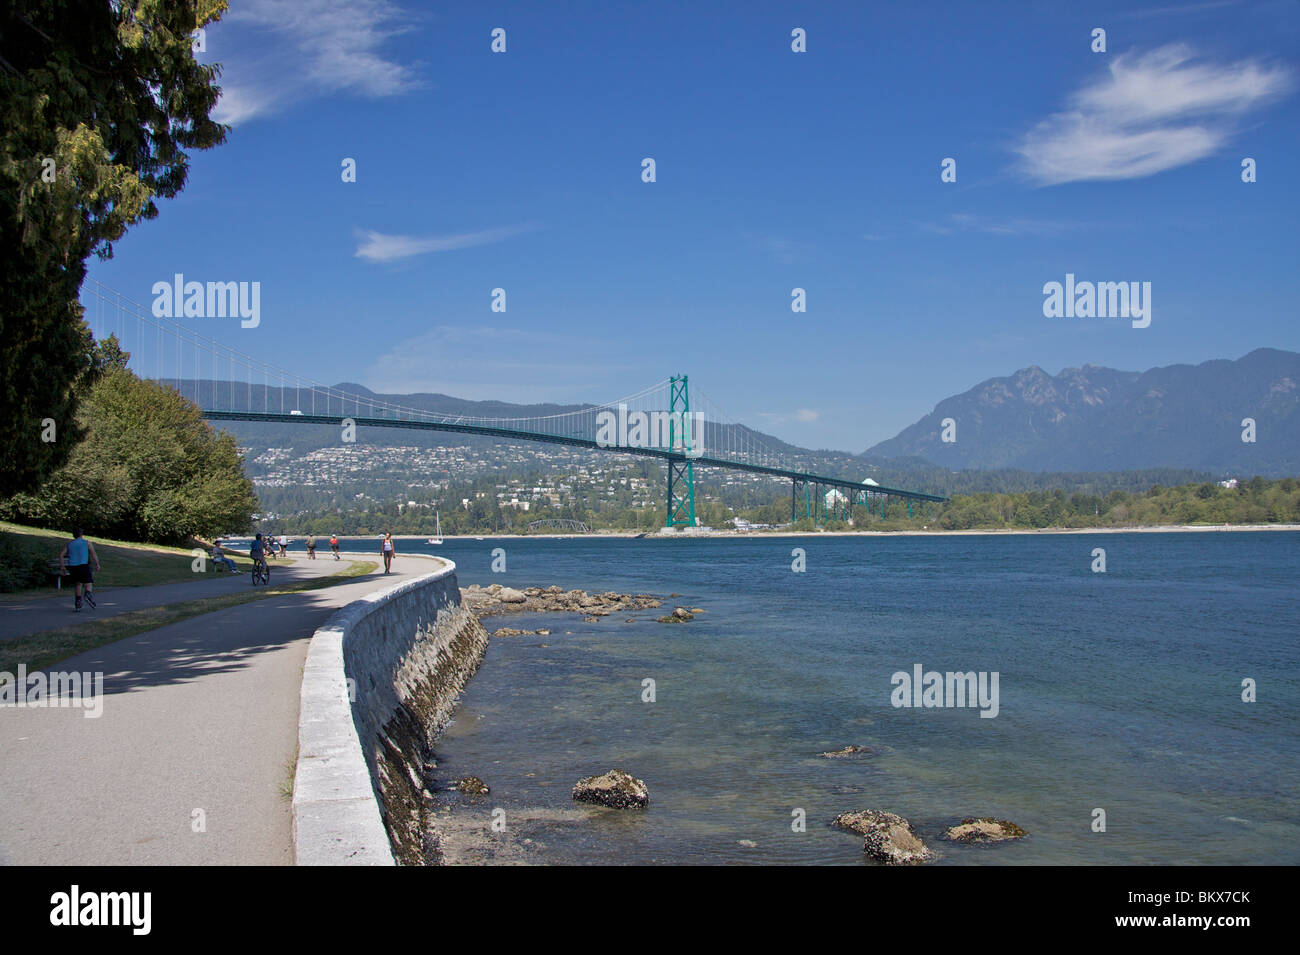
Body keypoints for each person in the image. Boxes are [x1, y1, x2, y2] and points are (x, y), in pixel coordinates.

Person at [60, 527, 100, 611]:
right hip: (83, 565)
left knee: (78, 583)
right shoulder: (87, 543)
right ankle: (88, 594)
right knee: (88, 582)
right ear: (82, 534)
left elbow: (61, 555)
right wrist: (97, 564)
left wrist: (62, 566)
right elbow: (93, 554)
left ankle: (78, 601)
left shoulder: (69, 544)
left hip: (73, 566)